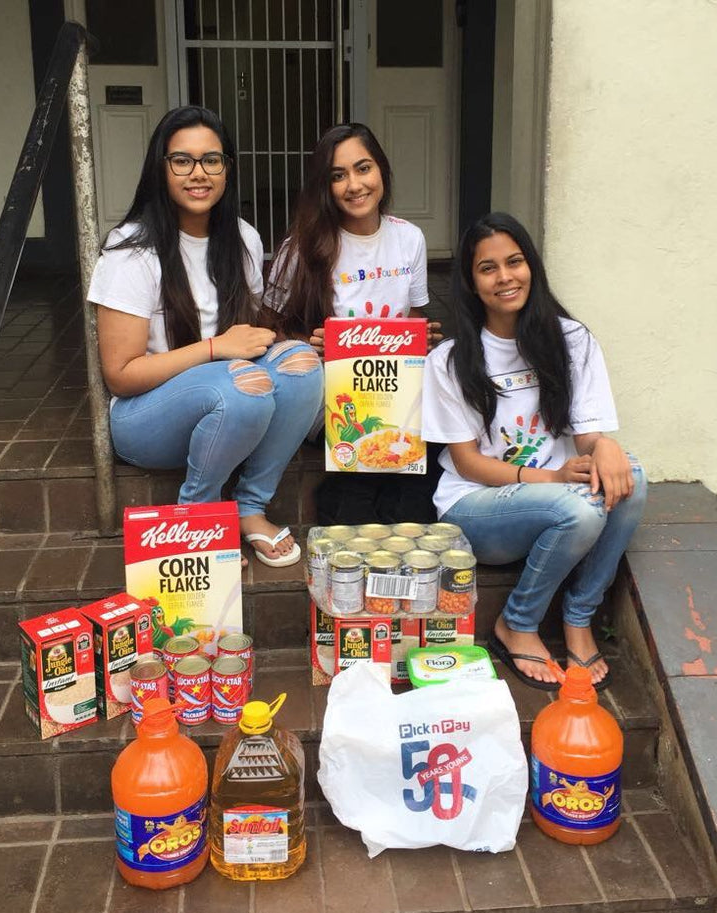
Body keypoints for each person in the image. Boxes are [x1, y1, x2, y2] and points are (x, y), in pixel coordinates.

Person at [89, 106, 323, 568]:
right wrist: (215, 349)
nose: (199, 173)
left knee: (302, 365)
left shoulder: (242, 238)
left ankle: (250, 507)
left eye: (211, 160)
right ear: (161, 169)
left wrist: (297, 340)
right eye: (182, 161)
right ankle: (198, 515)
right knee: (243, 384)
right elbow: (120, 376)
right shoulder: (131, 250)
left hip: (228, 399)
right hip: (145, 417)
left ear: (227, 169)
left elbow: (250, 335)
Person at [422, 212, 647, 690]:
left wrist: (605, 446)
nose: (505, 277)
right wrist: (553, 478)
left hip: (561, 499)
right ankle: (518, 622)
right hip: (478, 508)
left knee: (635, 479)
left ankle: (578, 617)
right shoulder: (450, 360)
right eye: (488, 268)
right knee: (579, 508)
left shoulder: (573, 341)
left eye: (515, 261)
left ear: (532, 267)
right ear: (471, 282)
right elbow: (466, 462)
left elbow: (587, 437)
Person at [264, 122, 443, 523]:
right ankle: (352, 518)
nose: (354, 185)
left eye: (363, 168)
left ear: (381, 170)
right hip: (331, 393)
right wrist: (308, 344)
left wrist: (421, 338)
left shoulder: (409, 238)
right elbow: (268, 329)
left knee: (429, 430)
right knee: (372, 433)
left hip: (394, 386)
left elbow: (413, 317)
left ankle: (396, 525)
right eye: (338, 175)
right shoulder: (302, 247)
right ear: (324, 187)